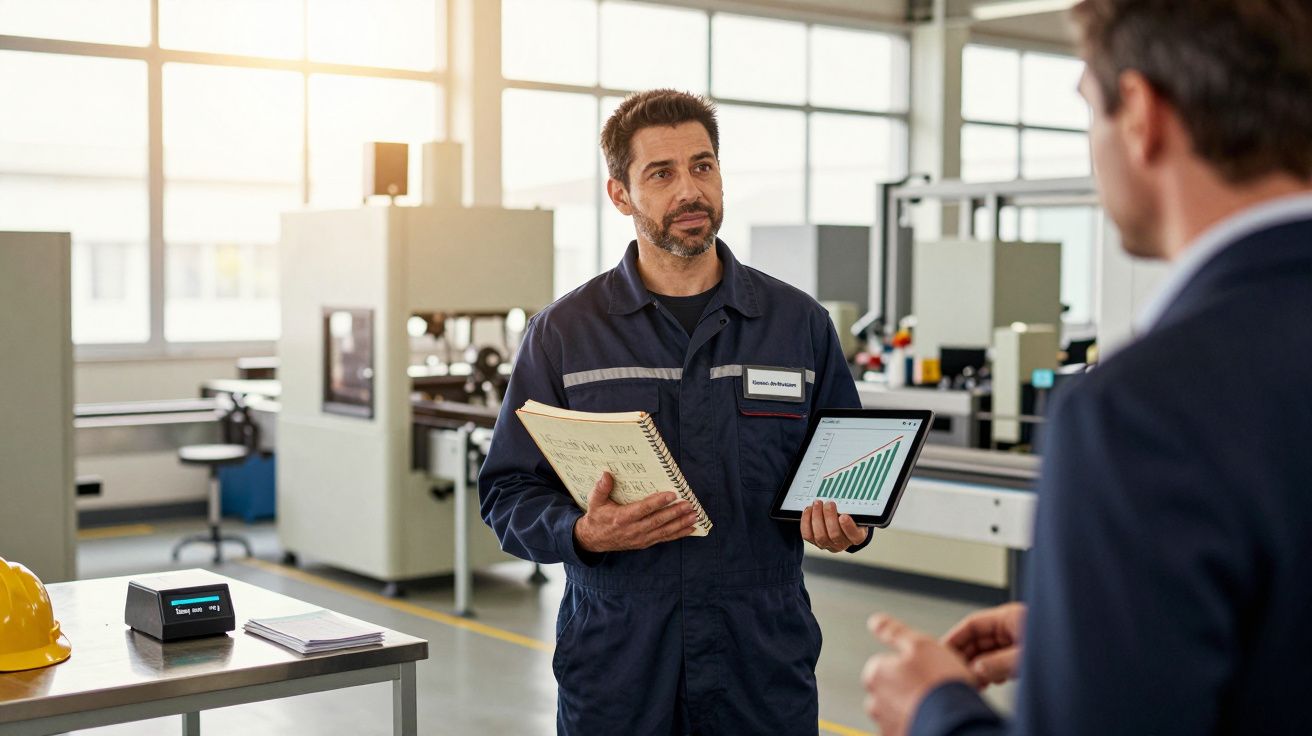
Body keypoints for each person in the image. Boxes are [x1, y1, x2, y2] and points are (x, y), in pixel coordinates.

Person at [859, 1, 1312, 734]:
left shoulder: (1140, 411)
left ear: (1140, 113)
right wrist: (1112, 630)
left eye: (1088, 111)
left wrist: (935, 710)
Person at [479, 89, 869, 735]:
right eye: (661, 173)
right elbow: (508, 492)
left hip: (760, 660)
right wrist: (581, 534)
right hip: (620, 662)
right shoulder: (565, 334)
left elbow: (845, 470)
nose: (689, 189)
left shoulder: (797, 325)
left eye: (703, 165)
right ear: (620, 194)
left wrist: (849, 522)